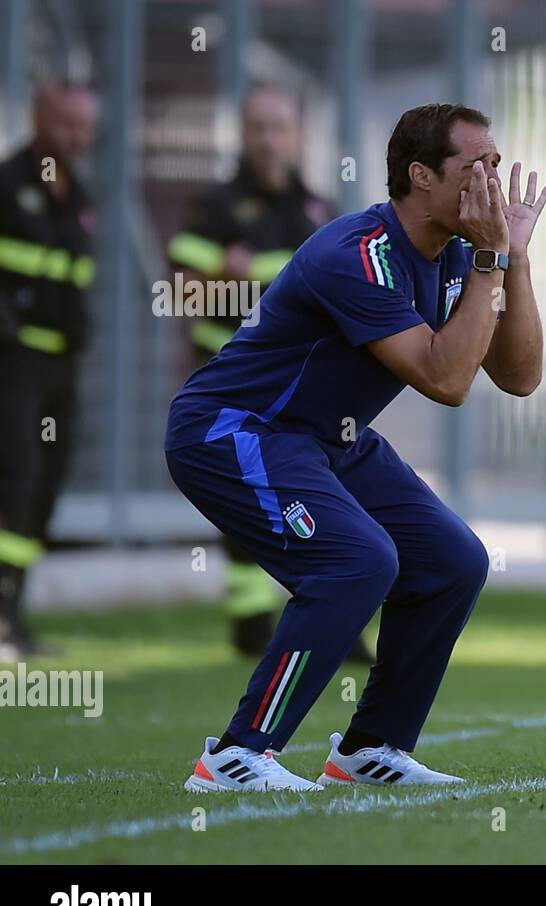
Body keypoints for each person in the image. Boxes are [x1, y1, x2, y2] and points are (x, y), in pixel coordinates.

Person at [165, 103, 546, 791]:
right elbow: (445, 378)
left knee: (453, 561)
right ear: (421, 176)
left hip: (328, 440)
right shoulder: (358, 252)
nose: (492, 184)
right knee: (356, 561)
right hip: (235, 429)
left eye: (496, 165)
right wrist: (492, 259)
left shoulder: (462, 256)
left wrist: (512, 260)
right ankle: (236, 754)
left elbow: (519, 376)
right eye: (474, 169)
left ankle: (370, 748)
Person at [166, 85, 365, 660]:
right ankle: (250, 619)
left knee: (322, 489)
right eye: (258, 127)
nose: (268, 140)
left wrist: (248, 270)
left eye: (279, 128)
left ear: (298, 134)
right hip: (230, 378)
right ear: (243, 133)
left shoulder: (319, 211)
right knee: (247, 492)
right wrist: (227, 279)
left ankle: (337, 610)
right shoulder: (217, 205)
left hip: (305, 381)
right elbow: (178, 291)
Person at [0, 82, 98, 662]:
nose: (76, 136)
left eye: (84, 126)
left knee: (43, 487)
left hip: (62, 365)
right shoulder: (8, 183)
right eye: (66, 123)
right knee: (15, 478)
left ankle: (12, 612)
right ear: (39, 119)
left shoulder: (78, 194)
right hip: (14, 363)